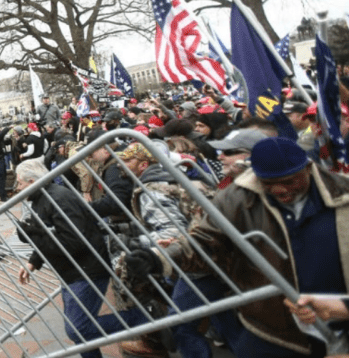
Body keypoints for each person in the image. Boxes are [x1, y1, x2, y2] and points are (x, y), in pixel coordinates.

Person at [126, 137, 349, 357]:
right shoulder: (236, 199)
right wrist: (160, 258)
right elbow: (206, 241)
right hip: (272, 329)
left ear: (308, 169)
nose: (280, 190)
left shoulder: (343, 194)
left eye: (290, 181)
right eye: (269, 184)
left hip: (341, 324)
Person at [15, 159, 145, 358]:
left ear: (32, 181)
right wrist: (34, 261)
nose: (17, 188)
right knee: (82, 330)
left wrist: (33, 236)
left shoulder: (58, 199)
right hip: (73, 270)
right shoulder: (44, 198)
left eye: (20, 183)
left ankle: (142, 318)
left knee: (78, 329)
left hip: (85, 270)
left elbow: (71, 241)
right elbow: (51, 233)